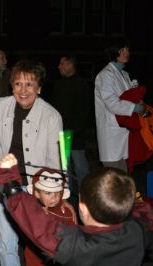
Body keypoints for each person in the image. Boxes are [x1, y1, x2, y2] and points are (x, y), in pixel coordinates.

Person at [0, 155, 153, 265]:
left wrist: (10, 182)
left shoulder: (80, 248)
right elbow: (143, 209)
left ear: (83, 209)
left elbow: (40, 228)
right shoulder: (139, 229)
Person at [0, 59, 62, 266]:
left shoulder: (51, 116)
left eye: (29, 84)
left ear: (39, 88)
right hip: (7, 182)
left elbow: (57, 160)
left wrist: (53, 191)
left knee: (37, 244)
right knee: (6, 240)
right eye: (18, 83)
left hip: (35, 187)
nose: (23, 90)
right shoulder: (1, 105)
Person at [0, 154, 76, 266]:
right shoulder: (33, 211)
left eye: (58, 193)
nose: (54, 197)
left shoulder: (66, 212)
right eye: (48, 193)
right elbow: (22, 214)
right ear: (36, 193)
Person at [95, 40, 147, 172]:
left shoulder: (124, 75)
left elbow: (130, 97)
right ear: (115, 52)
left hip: (123, 134)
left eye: (127, 49)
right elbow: (112, 103)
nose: (127, 53)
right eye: (123, 49)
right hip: (111, 137)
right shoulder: (105, 75)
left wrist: (141, 106)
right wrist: (135, 108)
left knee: (123, 180)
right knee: (115, 183)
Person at [51, 56, 91, 203]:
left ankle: (85, 197)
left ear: (69, 65)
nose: (59, 66)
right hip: (62, 134)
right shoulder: (59, 84)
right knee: (64, 168)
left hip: (75, 135)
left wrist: (77, 132)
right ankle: (67, 198)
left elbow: (84, 110)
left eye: (61, 63)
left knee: (80, 167)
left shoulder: (81, 84)